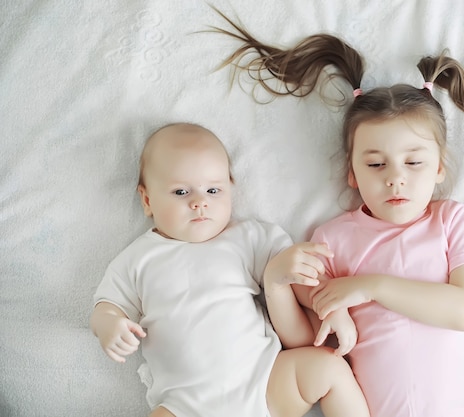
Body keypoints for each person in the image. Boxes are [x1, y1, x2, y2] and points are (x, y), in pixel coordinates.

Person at [211, 14, 464, 417]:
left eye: (413, 163)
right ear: (352, 173)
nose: (396, 180)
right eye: (376, 165)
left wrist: (370, 287)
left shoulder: (449, 221)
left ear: (438, 169)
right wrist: (291, 289)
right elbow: (307, 343)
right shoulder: (332, 239)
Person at [89, 123, 371, 417]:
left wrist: (330, 306)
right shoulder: (137, 259)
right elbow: (107, 305)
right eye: (181, 192)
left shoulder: (247, 238)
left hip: (264, 382)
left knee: (329, 368)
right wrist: (110, 325)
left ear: (230, 190)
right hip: (184, 405)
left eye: (213, 190)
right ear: (147, 200)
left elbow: (300, 273)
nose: (200, 202)